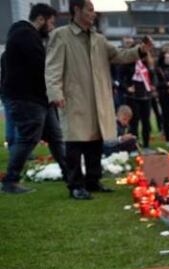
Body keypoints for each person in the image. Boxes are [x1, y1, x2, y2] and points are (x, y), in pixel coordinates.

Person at [46, 0, 148, 200]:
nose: (94, 13)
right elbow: (52, 68)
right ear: (77, 9)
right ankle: (75, 185)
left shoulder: (98, 39)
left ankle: (93, 181)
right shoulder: (61, 35)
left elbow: (120, 55)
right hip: (74, 98)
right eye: (90, 9)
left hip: (97, 99)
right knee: (74, 143)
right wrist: (55, 93)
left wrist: (140, 50)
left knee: (95, 142)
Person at [1, 3, 67, 194]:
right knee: (28, 139)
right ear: (41, 19)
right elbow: (42, 66)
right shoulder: (25, 35)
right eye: (51, 23)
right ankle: (10, 181)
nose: (52, 27)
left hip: (39, 99)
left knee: (55, 138)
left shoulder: (27, 36)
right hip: (27, 98)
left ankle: (70, 174)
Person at [122, 52, 156, 149]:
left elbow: (153, 77)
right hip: (133, 97)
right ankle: (134, 145)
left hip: (146, 97)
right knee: (134, 122)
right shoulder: (129, 64)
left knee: (146, 122)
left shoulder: (148, 64)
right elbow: (120, 78)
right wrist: (127, 88)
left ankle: (146, 145)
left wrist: (153, 85)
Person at [0, 51, 17, 151]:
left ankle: (12, 148)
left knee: (10, 122)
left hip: (6, 92)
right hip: (17, 93)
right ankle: (20, 150)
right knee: (20, 123)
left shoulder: (4, 55)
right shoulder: (19, 54)